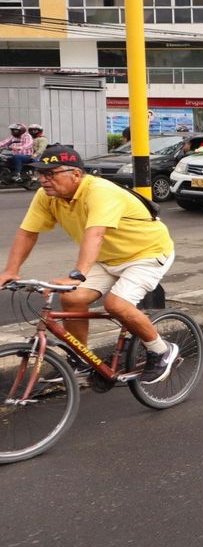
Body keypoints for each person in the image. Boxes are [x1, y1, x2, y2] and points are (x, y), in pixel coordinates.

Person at [0, 145, 179, 383]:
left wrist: (78, 275)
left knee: (116, 304)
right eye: (40, 173)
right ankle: (81, 360)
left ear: (75, 174)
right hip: (107, 258)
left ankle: (160, 350)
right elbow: (27, 233)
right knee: (72, 299)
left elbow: (95, 234)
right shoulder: (46, 196)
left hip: (146, 254)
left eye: (50, 173)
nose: (43, 179)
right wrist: (11, 271)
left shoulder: (100, 191)